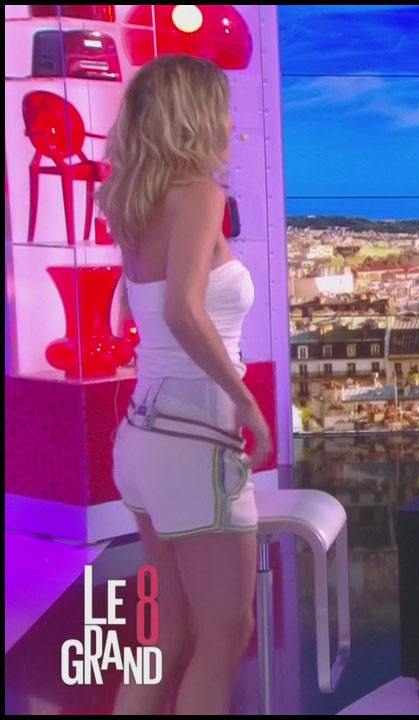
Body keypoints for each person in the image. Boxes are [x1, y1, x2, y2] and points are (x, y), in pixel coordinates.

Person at [99, 55, 272, 715]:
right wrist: (249, 403)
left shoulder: (135, 202)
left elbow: (145, 312)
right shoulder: (200, 194)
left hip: (143, 438)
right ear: (196, 116)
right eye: (222, 107)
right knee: (226, 636)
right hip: (194, 442)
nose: (231, 121)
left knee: (167, 634)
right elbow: (181, 311)